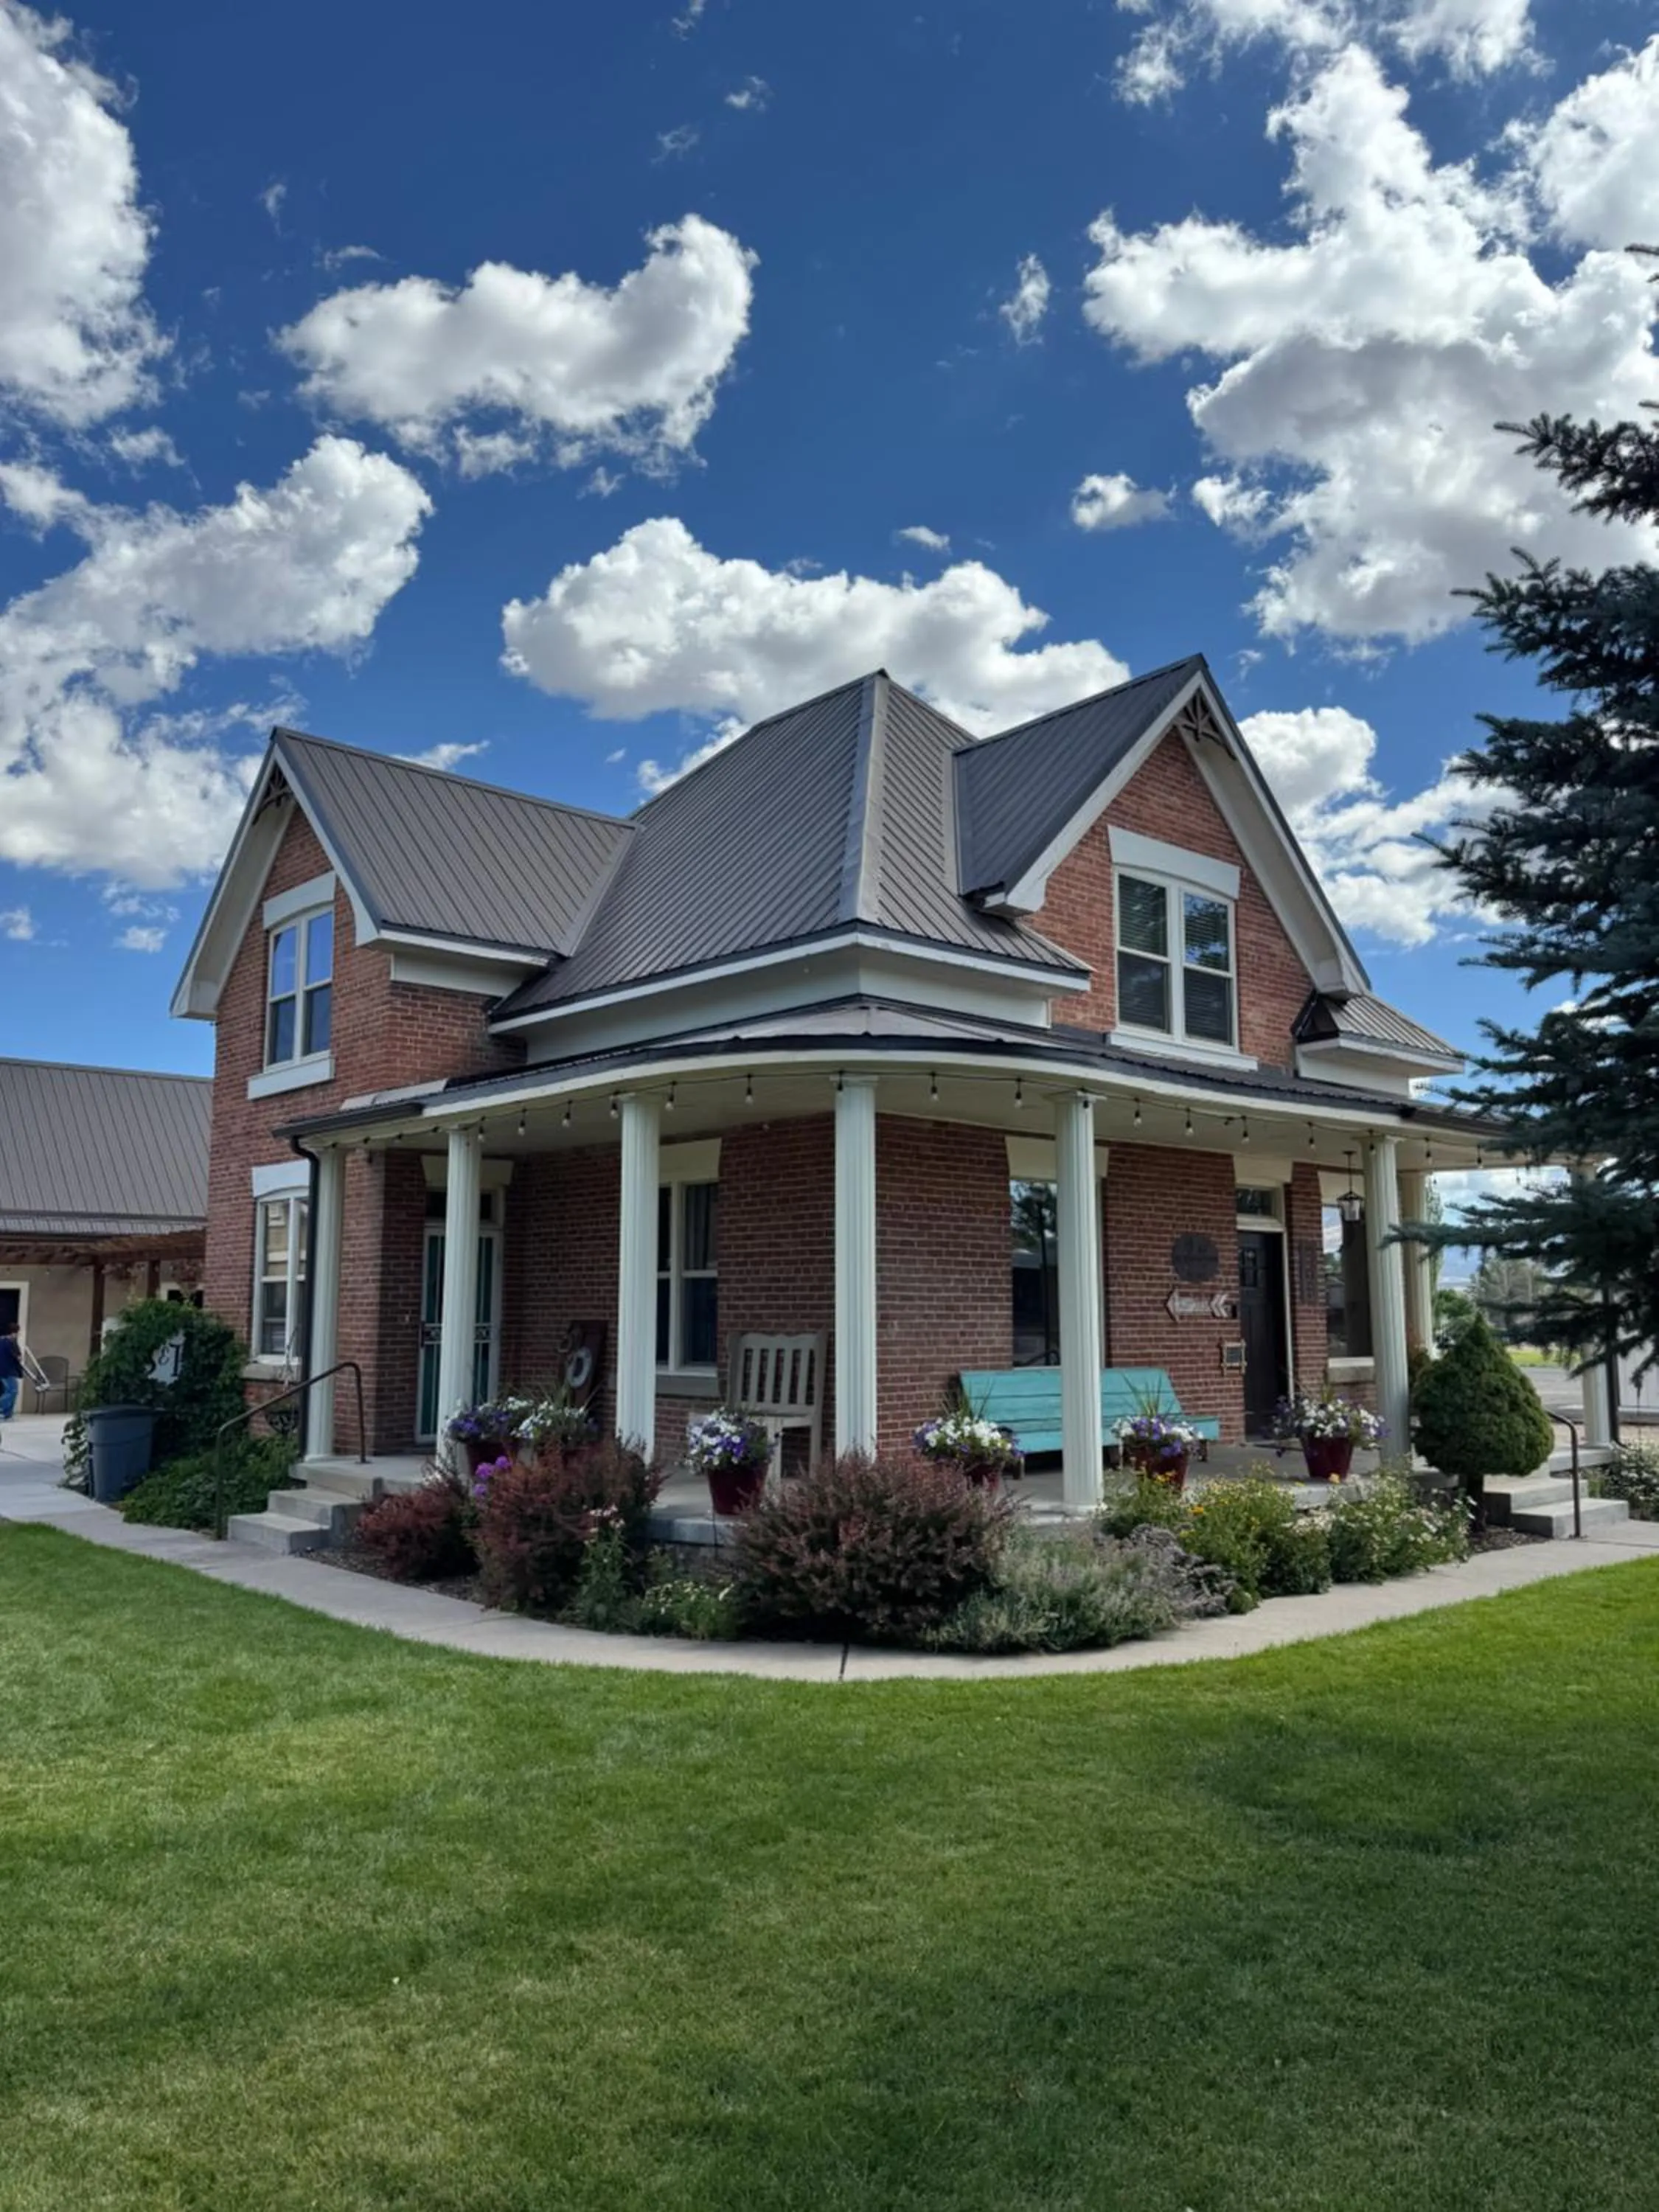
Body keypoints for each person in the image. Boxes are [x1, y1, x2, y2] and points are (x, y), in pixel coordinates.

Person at [0, 1320, 23, 1423]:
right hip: (6, 1371)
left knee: (11, 1391)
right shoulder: (7, 1342)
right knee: (12, 1390)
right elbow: (15, 1356)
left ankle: (8, 1413)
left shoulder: (9, 1342)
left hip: (8, 1370)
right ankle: (4, 1409)